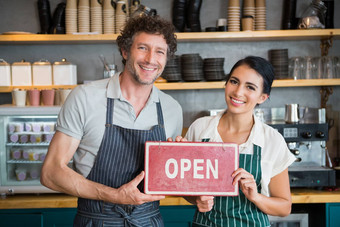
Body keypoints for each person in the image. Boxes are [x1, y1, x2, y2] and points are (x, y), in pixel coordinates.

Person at [40, 15, 183, 226]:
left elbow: (168, 179)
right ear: (125, 51)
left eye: (160, 51)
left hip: (149, 221)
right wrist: (114, 195)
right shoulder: (85, 97)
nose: (151, 59)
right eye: (143, 48)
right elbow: (50, 173)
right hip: (96, 220)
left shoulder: (172, 109)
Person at [176, 56, 296, 226]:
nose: (238, 92)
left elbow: (284, 207)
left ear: (262, 97)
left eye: (250, 87)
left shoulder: (271, 140)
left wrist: (256, 197)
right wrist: (197, 199)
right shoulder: (200, 129)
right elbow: (185, 189)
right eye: (234, 81)